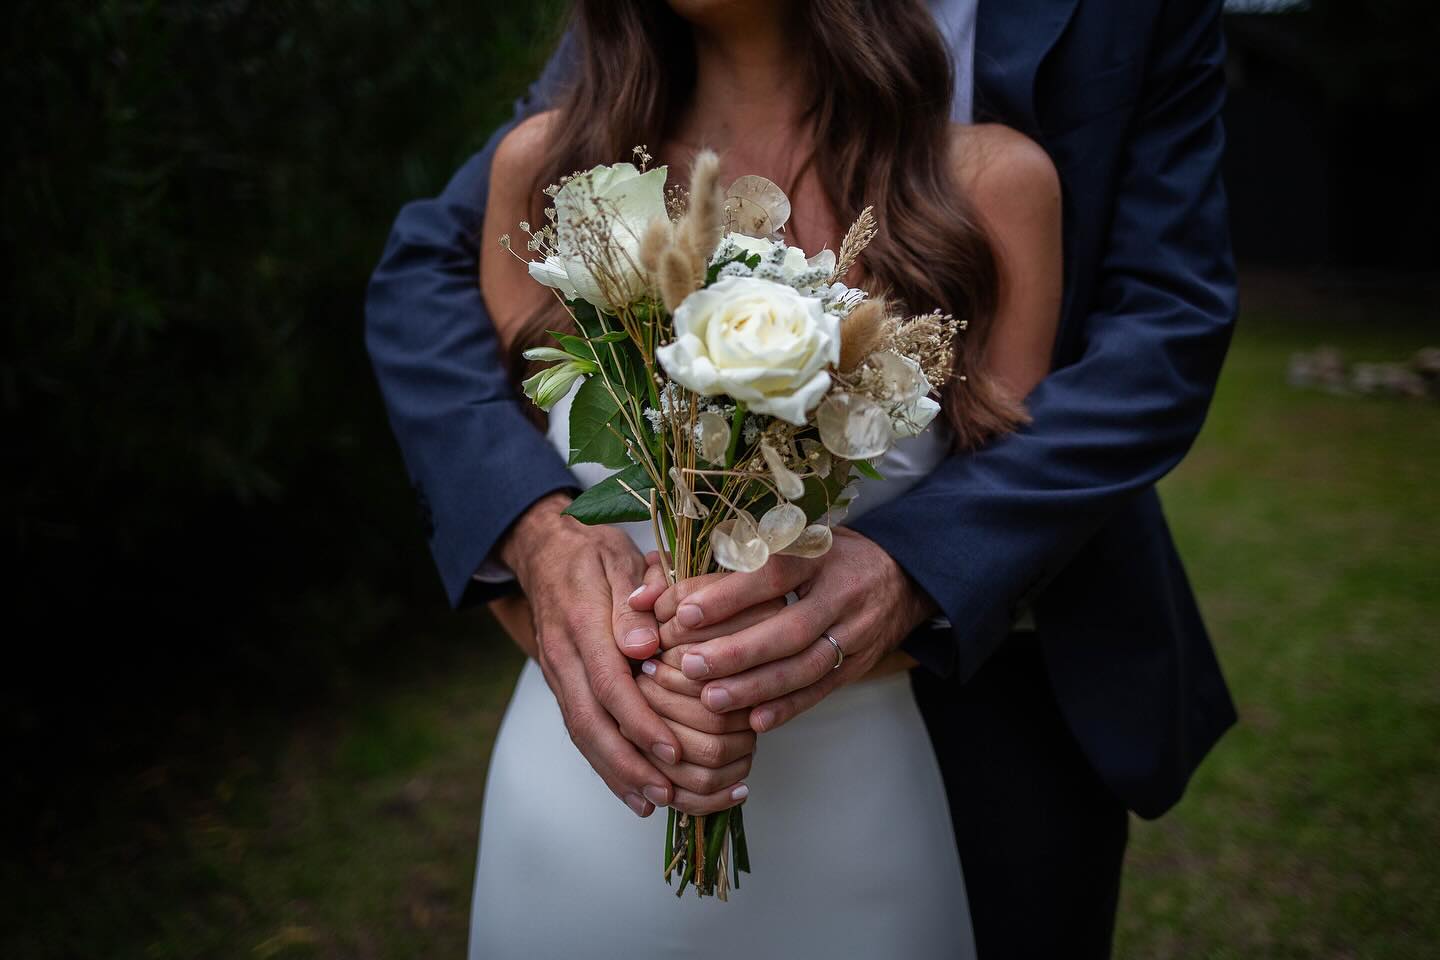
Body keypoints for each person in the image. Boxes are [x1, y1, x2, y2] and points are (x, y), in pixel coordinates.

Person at [364, 0, 1240, 956]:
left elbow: (1154, 337)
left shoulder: (994, 188)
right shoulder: (551, 170)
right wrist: (558, 572)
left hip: (880, 775)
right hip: (581, 785)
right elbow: (511, 452)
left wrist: (875, 600)